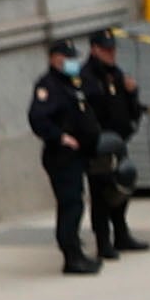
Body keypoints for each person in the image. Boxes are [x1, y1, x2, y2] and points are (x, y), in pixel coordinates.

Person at [26, 34, 99, 276]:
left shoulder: (72, 83)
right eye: (67, 58)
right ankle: (71, 257)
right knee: (70, 204)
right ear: (55, 59)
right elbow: (37, 118)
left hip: (78, 155)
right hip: (61, 155)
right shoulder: (48, 86)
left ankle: (76, 251)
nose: (71, 62)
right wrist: (60, 137)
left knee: (76, 203)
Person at [77, 26, 150, 260]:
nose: (111, 54)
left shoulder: (115, 73)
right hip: (99, 144)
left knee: (122, 186)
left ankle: (121, 233)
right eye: (106, 50)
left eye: (113, 50)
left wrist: (132, 93)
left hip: (118, 142)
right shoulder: (86, 77)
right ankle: (103, 241)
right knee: (101, 193)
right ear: (94, 50)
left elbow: (127, 107)